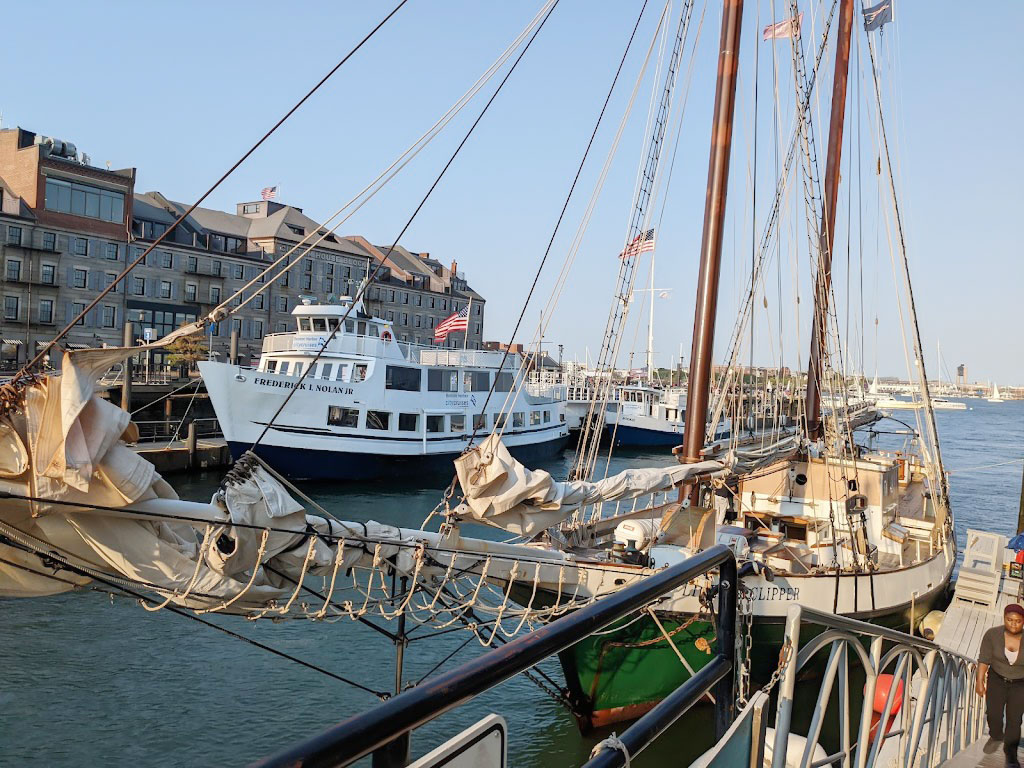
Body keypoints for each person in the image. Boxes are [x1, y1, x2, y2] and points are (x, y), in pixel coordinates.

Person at [978, 603, 1024, 766]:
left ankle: (1010, 753)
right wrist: (980, 681)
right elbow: (983, 659)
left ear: (1023, 621)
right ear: (1004, 618)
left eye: (1018, 621)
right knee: (993, 714)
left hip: (1020, 684)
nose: (1013, 623)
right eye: (1009, 620)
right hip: (997, 679)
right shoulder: (992, 635)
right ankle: (996, 735)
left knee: (1015, 719)